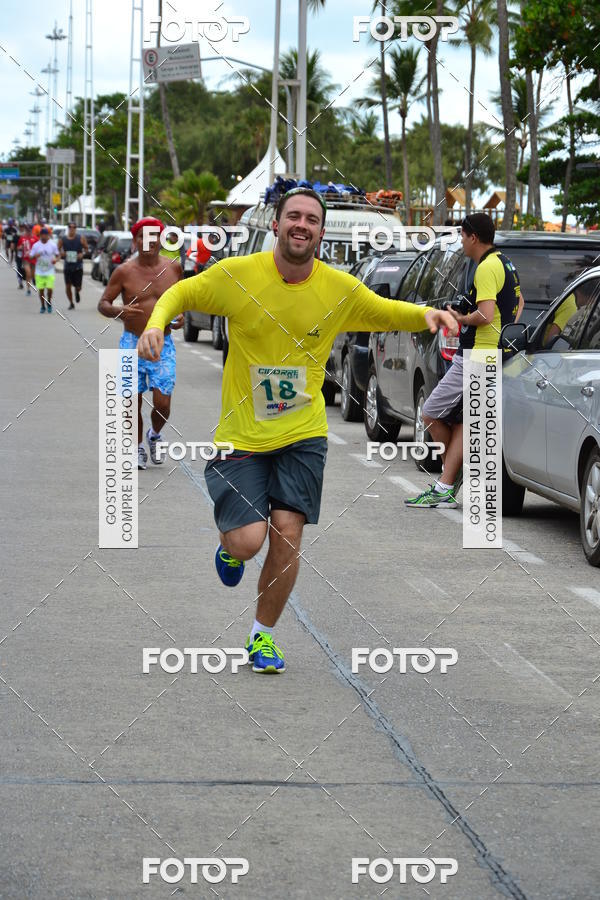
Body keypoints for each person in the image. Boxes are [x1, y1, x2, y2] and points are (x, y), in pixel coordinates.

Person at [137, 188, 457, 674]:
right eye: (293, 216)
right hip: (242, 436)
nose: (301, 224)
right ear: (276, 224)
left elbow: (383, 310)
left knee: (287, 533)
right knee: (247, 542)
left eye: (311, 218)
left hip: (303, 434)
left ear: (321, 232)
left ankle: (261, 636)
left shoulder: (337, 288)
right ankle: (230, 549)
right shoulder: (238, 276)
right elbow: (181, 292)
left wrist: (425, 315)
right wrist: (157, 323)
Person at [405, 212, 522, 510]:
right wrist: (505, 331)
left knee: (430, 412)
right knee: (462, 421)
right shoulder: (506, 263)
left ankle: (448, 481)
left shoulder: (486, 268)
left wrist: (460, 318)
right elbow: (518, 302)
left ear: (473, 237)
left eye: (462, 235)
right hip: (492, 353)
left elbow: (485, 314)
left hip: (477, 356)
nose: (461, 241)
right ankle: (446, 483)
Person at [97, 216, 183, 470]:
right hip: (131, 343)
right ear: (135, 241)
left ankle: (154, 435)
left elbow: (183, 301)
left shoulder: (174, 268)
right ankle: (136, 448)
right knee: (130, 401)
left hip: (162, 344)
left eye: (154, 237)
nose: (149, 242)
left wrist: (181, 317)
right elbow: (103, 303)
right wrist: (118, 311)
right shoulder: (124, 271)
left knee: (163, 403)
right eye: (143, 237)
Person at [30, 227, 60, 313]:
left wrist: (56, 260)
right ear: (40, 235)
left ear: (48, 235)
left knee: (50, 289)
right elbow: (30, 256)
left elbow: (58, 256)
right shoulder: (36, 245)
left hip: (50, 271)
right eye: (42, 235)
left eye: (46, 235)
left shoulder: (52, 245)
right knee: (41, 290)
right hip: (39, 271)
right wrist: (35, 255)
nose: (44, 236)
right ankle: (42, 306)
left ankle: (49, 302)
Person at [59, 222, 88, 309]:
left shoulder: (81, 238)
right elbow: (57, 249)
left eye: (74, 227)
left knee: (78, 287)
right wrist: (62, 254)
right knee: (68, 286)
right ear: (68, 228)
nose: (72, 229)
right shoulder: (63, 239)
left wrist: (82, 254)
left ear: (76, 228)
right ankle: (71, 303)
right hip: (68, 266)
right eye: (70, 227)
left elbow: (86, 249)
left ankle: (77, 291)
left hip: (78, 266)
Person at [15, 223, 34, 294]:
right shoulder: (21, 238)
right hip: (25, 258)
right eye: (27, 230)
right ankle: (28, 288)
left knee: (32, 274)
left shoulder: (35, 238)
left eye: (29, 230)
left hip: (33, 259)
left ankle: (33, 280)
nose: (28, 231)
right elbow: (17, 247)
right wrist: (20, 247)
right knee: (27, 273)